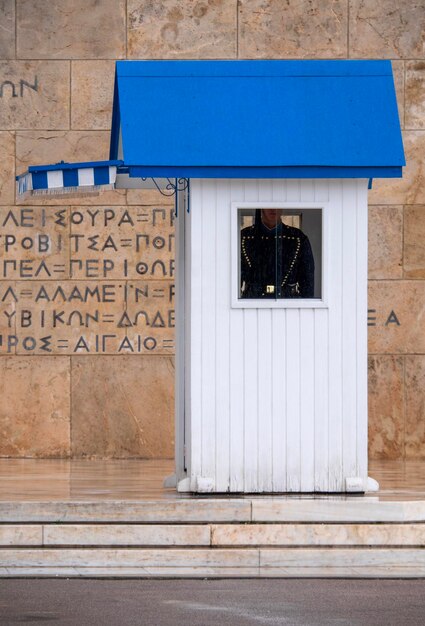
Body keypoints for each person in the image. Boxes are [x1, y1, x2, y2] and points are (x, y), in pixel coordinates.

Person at [240, 208, 315, 299]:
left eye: (277, 204)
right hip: (251, 303)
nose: (273, 209)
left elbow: (307, 284)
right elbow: (234, 280)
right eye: (268, 205)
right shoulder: (244, 237)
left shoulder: (298, 238)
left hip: (289, 304)